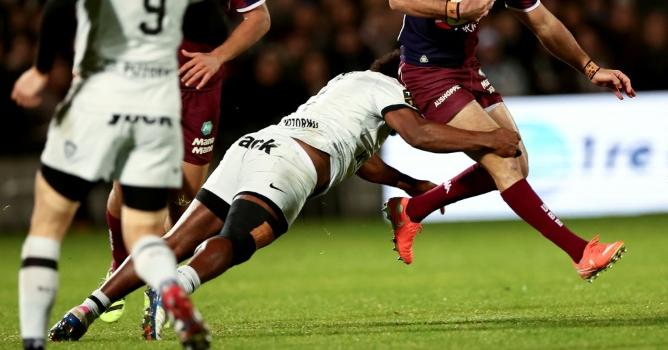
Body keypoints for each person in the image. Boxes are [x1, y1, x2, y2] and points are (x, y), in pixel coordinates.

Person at [46, 49, 521, 342]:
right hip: (286, 166)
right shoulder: (390, 90)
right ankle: (176, 288)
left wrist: (405, 184)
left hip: (251, 147)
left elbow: (355, 155)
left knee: (173, 239)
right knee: (237, 243)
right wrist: (487, 141)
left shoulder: (347, 86)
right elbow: (418, 133)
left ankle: (83, 309)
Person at [11, 0, 225, 350]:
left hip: (99, 98)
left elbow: (58, 9)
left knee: (48, 220)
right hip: (154, 104)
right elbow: (210, 25)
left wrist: (42, 72)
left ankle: (32, 340)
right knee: (149, 224)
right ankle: (170, 288)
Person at [386, 0, 634, 281]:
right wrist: (453, 8)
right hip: (427, 72)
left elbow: (544, 23)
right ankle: (581, 252)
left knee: (519, 163)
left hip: (466, 68)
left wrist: (590, 69)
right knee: (503, 160)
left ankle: (411, 210)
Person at [98, 0, 271, 324]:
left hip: (200, 85)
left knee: (190, 200)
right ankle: (121, 266)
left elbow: (259, 18)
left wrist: (217, 56)